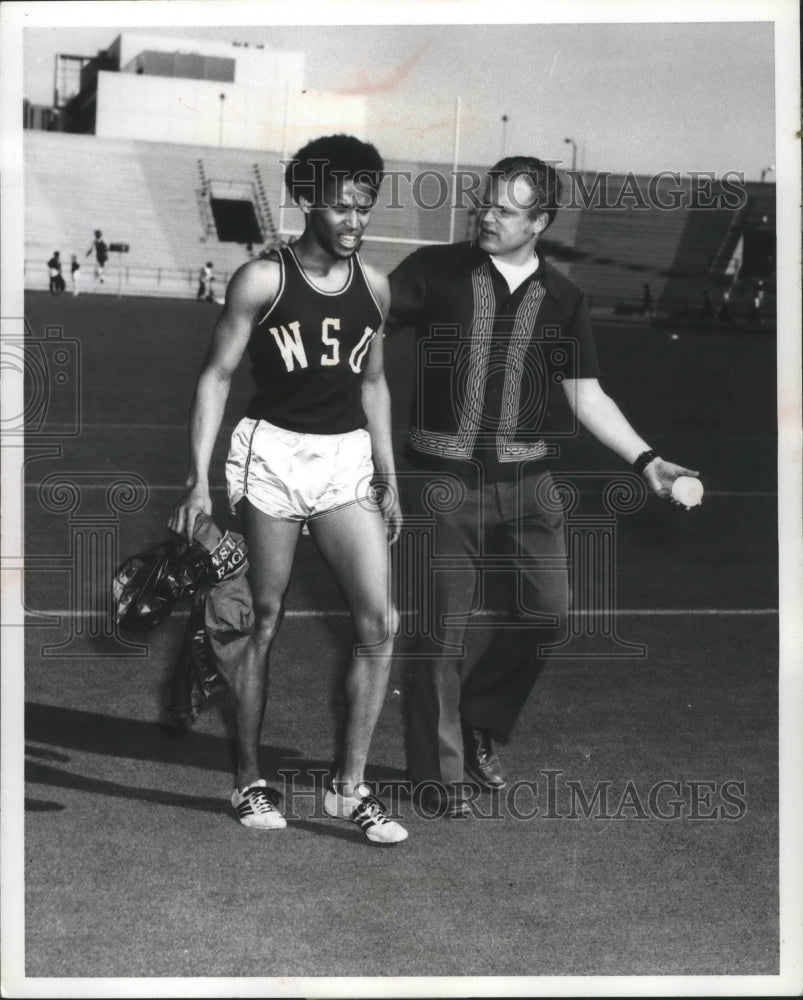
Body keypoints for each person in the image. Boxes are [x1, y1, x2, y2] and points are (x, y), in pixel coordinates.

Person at [386, 156, 699, 816]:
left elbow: (586, 396)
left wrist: (647, 460)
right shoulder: (430, 272)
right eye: (484, 202)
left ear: (539, 222)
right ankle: (439, 779)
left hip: (531, 486)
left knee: (548, 614)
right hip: (444, 486)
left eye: (503, 209)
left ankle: (479, 720)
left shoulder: (563, 298)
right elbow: (361, 317)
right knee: (439, 637)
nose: (485, 215)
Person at [169, 134, 407, 844]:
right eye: (341, 207)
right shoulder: (261, 281)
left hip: (343, 462)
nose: (355, 220)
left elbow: (373, 383)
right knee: (260, 620)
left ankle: (348, 788)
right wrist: (198, 478)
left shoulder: (376, 287)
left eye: (364, 207)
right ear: (308, 201)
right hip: (270, 457)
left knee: (380, 622)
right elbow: (215, 377)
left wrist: (387, 475)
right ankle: (248, 782)